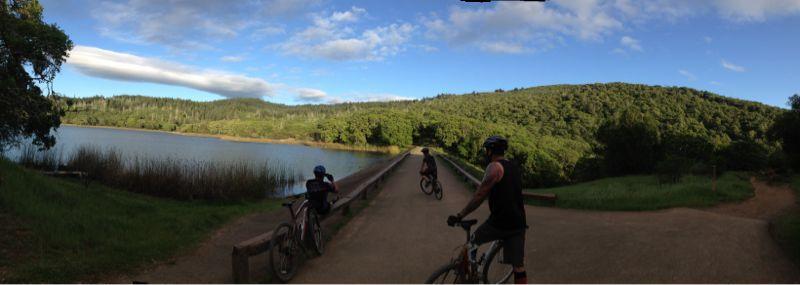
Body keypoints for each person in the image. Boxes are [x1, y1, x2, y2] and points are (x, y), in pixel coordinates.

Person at [447, 136, 528, 284]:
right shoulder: (513, 166)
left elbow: (479, 196)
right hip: (518, 224)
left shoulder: (494, 167)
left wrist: (460, 215)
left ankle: (466, 277)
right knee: (518, 267)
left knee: (470, 245)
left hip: (498, 223)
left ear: (490, 151)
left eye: (487, 150)